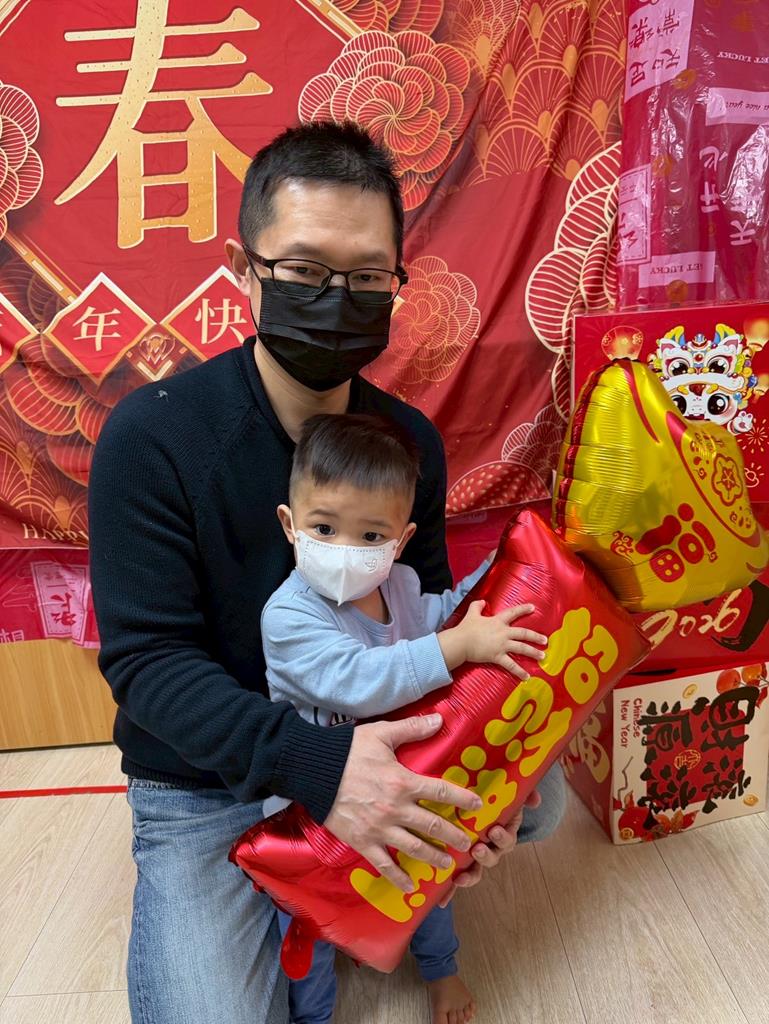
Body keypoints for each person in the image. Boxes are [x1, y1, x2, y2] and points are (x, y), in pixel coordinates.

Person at [88, 120, 566, 1024]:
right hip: (207, 778)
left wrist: (475, 767)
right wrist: (321, 768)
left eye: (367, 277)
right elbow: (149, 666)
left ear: (396, 281)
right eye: (304, 270)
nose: (336, 299)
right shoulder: (153, 436)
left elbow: (420, 623)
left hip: (366, 727)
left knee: (539, 808)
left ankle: (357, 884)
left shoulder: (406, 443)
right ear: (243, 269)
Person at [260, 411, 551, 1024]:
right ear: (289, 524)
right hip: (312, 812)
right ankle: (314, 1016)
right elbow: (359, 680)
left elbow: (451, 614)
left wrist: (503, 570)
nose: (346, 550)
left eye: (371, 536)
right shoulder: (288, 616)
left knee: (428, 882)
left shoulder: (401, 586)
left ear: (401, 538)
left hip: (399, 784)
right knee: (309, 930)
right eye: (323, 528)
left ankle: (441, 970)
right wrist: (454, 648)